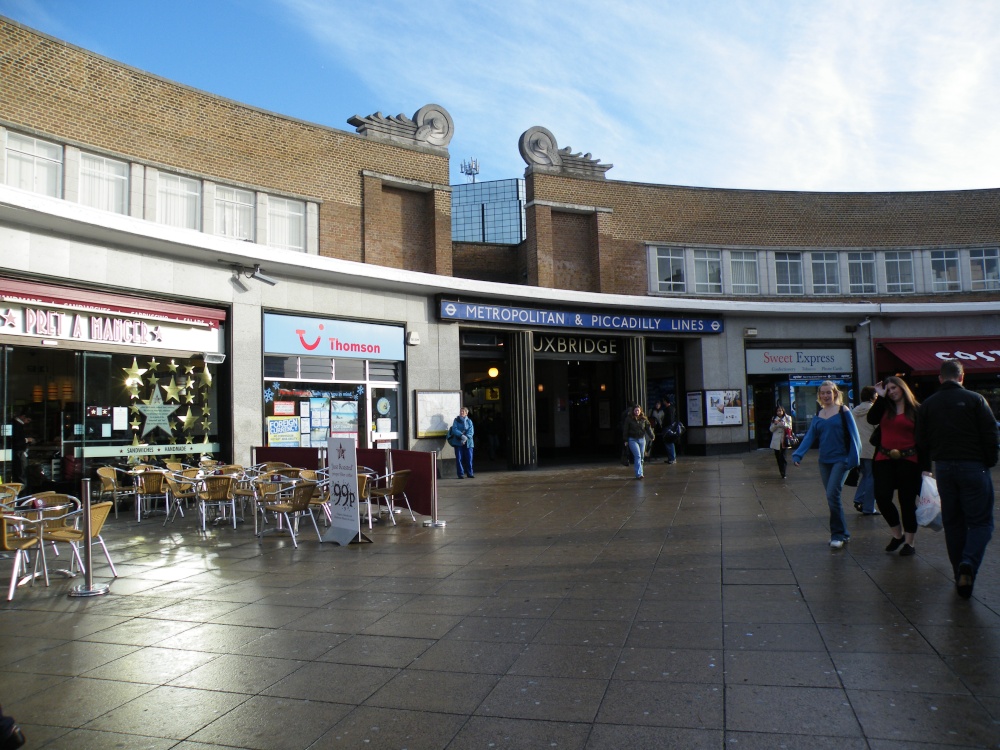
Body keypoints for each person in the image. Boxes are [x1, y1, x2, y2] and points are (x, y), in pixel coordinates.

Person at [916, 360, 999, 599]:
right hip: (974, 466)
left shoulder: (929, 405)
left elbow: (921, 441)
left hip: (944, 468)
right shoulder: (975, 400)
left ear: (940, 379)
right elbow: (990, 433)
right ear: (962, 377)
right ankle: (968, 563)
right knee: (981, 522)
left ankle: (959, 575)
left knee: (953, 523)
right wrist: (989, 461)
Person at [792, 381, 861, 549]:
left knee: (832, 495)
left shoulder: (843, 411)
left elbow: (855, 436)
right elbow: (809, 437)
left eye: (828, 392)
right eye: (822, 393)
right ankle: (843, 532)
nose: (825, 395)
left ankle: (837, 535)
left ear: (835, 394)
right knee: (833, 498)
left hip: (841, 460)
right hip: (824, 462)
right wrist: (798, 454)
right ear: (819, 395)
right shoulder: (819, 415)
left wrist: (854, 459)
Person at [868, 377, 922, 556]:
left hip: (909, 460)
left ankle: (909, 542)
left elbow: (925, 442)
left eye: (894, 388)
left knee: (907, 502)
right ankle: (897, 534)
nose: (891, 391)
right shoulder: (885, 406)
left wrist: (927, 468)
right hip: (884, 458)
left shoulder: (917, 409)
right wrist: (881, 397)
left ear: (902, 388)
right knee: (882, 497)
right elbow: (871, 418)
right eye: (888, 389)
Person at [851, 386, 879, 515]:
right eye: (876, 395)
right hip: (871, 448)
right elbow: (878, 428)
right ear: (872, 397)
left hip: (858, 448)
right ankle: (868, 507)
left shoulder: (854, 411)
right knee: (872, 477)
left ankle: (859, 498)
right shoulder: (873, 410)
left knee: (866, 475)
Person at [622, 404, 654, 480]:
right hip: (632, 439)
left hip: (642, 439)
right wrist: (625, 440)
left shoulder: (643, 418)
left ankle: (640, 472)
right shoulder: (629, 419)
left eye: (638, 410)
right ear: (633, 411)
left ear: (640, 411)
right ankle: (639, 474)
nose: (637, 412)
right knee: (638, 455)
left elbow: (648, 427)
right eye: (635, 410)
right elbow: (625, 430)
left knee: (642, 456)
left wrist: (652, 436)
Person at [448, 407, 475, 479]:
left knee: (469, 458)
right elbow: (454, 429)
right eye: (461, 411)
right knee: (459, 458)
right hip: (458, 442)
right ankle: (460, 474)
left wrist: (466, 438)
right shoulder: (456, 420)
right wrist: (461, 436)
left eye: (463, 412)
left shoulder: (469, 421)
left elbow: (471, 431)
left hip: (468, 443)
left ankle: (470, 473)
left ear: (466, 413)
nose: (461, 413)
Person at [10, 411, 34, 487]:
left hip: (17, 452)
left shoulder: (14, 424)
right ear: (23, 417)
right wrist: (27, 440)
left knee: (19, 473)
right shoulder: (17, 425)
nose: (27, 422)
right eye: (28, 420)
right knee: (22, 473)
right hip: (19, 452)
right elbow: (16, 441)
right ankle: (22, 491)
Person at [769, 404, 792, 479]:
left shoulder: (788, 417)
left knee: (783, 456)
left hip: (784, 439)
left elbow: (789, 427)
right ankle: (780, 469)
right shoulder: (774, 418)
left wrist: (783, 424)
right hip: (776, 440)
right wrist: (776, 424)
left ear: (783, 411)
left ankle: (783, 473)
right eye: (778, 411)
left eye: (780, 410)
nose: (779, 412)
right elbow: (771, 429)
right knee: (777, 456)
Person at [662, 396, 679, 465]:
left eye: (664, 401)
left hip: (667, 427)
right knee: (669, 442)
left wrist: (664, 425)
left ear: (665, 401)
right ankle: (671, 458)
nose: (663, 402)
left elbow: (668, 420)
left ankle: (672, 458)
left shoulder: (668, 409)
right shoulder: (672, 408)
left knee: (668, 442)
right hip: (671, 427)